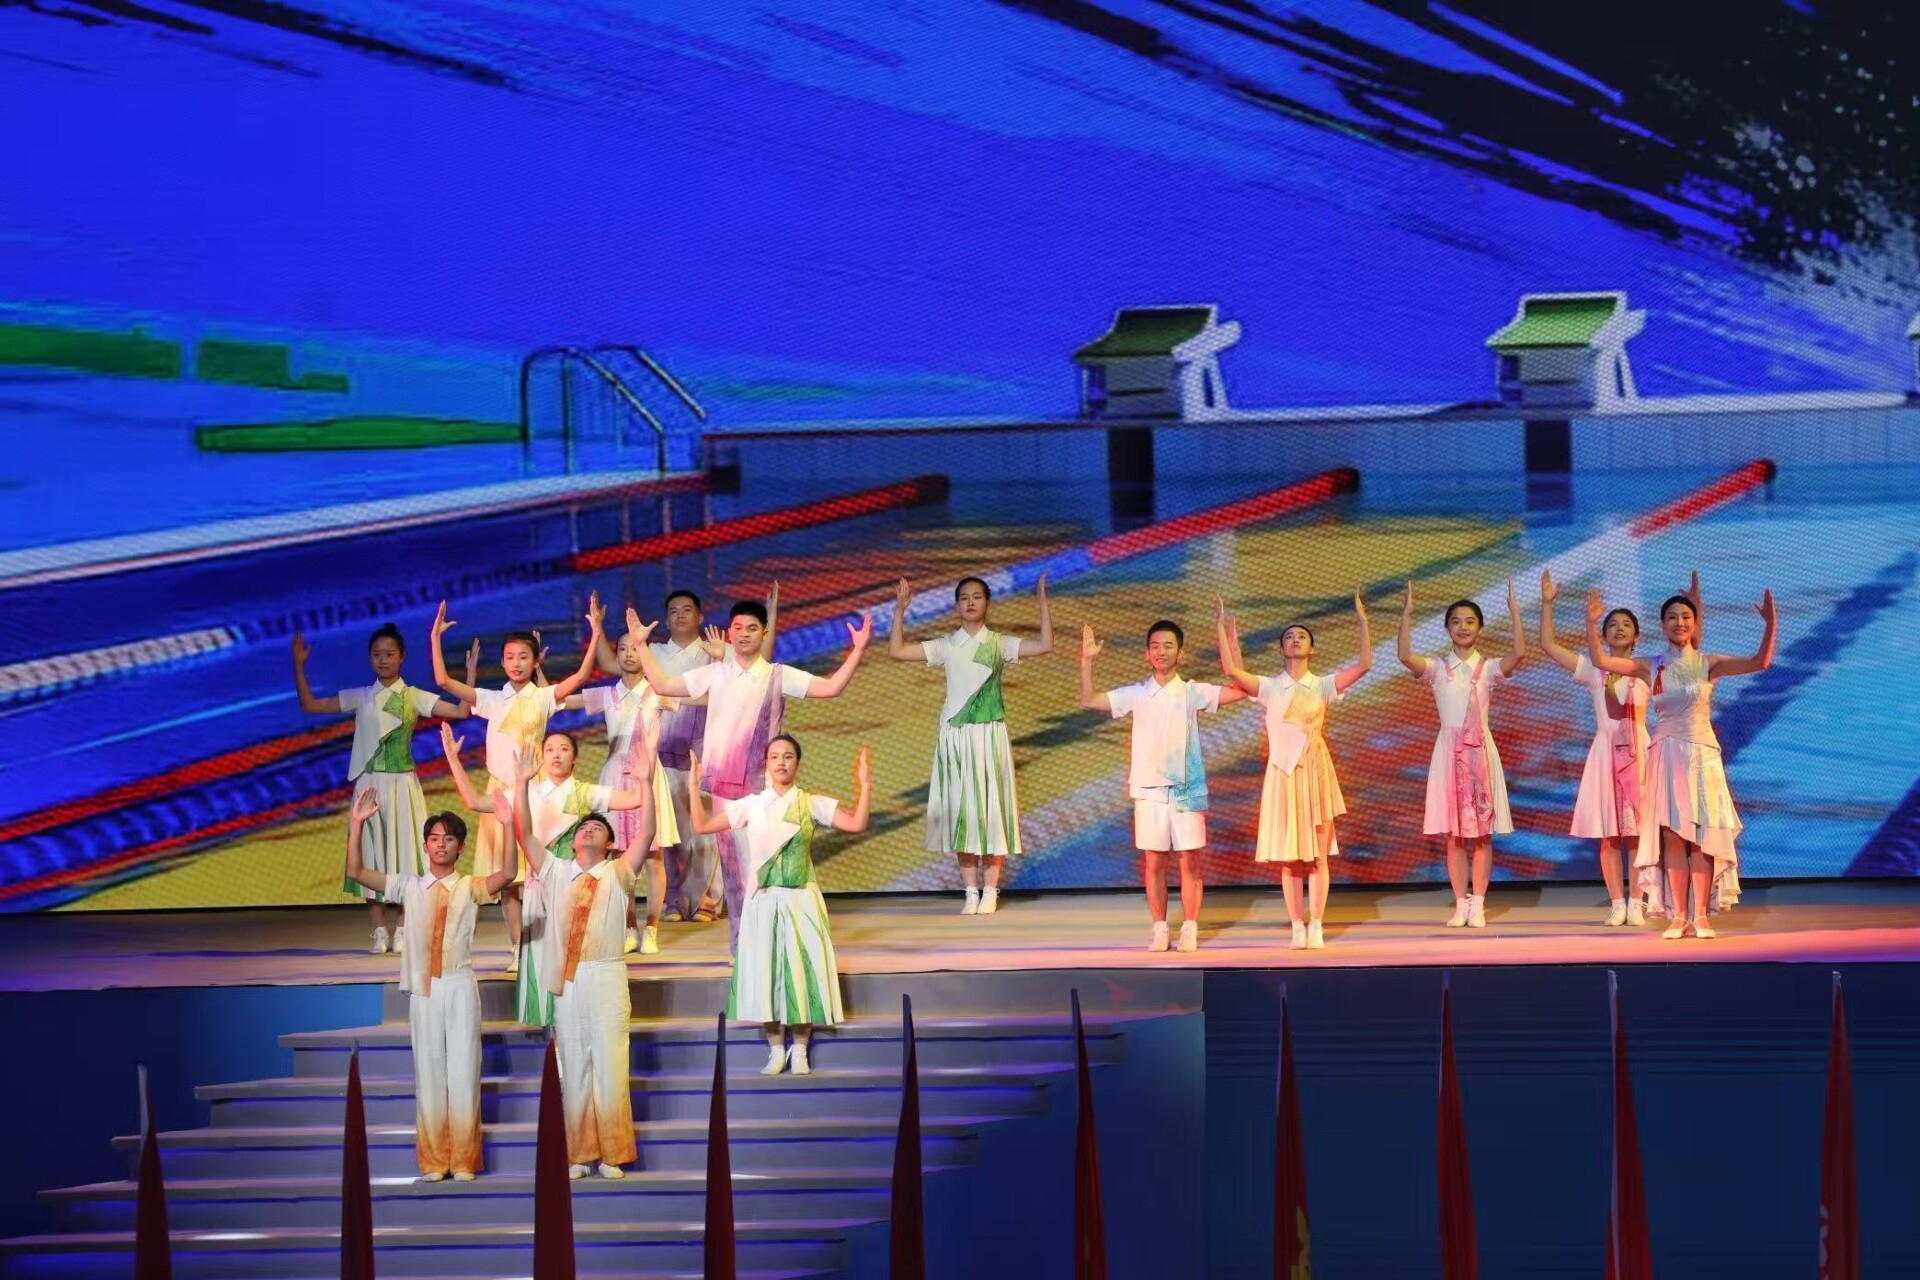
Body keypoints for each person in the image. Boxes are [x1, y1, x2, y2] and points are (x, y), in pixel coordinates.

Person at [632, 600, 872, 953]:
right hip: (722, 789)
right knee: (734, 875)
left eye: (752, 628)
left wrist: (859, 649)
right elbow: (663, 683)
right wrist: (640, 644)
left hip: (763, 791)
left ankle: (776, 944)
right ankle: (742, 950)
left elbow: (831, 687)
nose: (744, 634)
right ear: (729, 633)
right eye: (738, 628)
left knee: (766, 870)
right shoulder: (715, 674)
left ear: (764, 633)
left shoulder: (778, 674)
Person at [343, 786, 519, 1182]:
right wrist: (356, 825)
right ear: (425, 846)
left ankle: (464, 1160)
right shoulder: (409, 885)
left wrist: (508, 826)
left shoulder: (470, 886)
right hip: (424, 991)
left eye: (449, 839)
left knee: (464, 1072)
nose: (441, 844)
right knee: (430, 1073)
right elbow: (357, 873)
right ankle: (435, 1160)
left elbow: (508, 873)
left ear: (460, 847)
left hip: (459, 986)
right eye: (434, 838)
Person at [1585, 583, 1775, 940]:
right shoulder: (1650, 665)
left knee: (1701, 837)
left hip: (1702, 754)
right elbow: (1601, 661)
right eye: (1672, 617)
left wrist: (1770, 625)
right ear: (1662, 625)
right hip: (1666, 754)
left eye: (1686, 616)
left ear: (1695, 623)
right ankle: (1679, 916)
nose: (1679, 622)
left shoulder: (1709, 663)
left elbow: (1759, 662)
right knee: (1673, 837)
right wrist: (1592, 624)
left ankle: (1701, 915)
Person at [429, 595, 604, 972]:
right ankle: (518, 948)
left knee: (545, 872)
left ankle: (556, 941)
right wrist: (434, 637)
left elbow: (580, 678)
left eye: (524, 656)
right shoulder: (492, 700)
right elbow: (443, 681)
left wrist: (595, 631)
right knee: (508, 877)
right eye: (509, 657)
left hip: (537, 791)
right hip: (500, 793)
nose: (516, 663)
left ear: (535, 660)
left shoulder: (543, 697)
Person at [511, 744, 655, 1178]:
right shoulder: (556, 870)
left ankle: (612, 1153)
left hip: (607, 975)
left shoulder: (618, 872)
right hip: (569, 981)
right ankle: (579, 1153)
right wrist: (521, 783)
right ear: (573, 841)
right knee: (574, 1065)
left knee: (611, 1063)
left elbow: (646, 833)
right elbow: (524, 834)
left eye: (598, 828)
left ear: (610, 844)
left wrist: (646, 782)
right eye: (584, 827)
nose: (589, 830)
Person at [686, 735, 869, 1076]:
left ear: (797, 762)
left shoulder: (810, 803)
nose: (781, 762)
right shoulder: (752, 805)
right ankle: (774, 1049)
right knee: (766, 972)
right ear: (766, 764)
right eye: (774, 756)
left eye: (788, 756)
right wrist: (694, 788)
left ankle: (799, 1048)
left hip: (801, 899)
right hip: (763, 901)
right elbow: (703, 825)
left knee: (801, 971)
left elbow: (856, 824)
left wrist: (865, 786)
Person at [443, 725, 651, 1025]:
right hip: (538, 888)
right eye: (550, 749)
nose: (556, 755)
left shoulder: (584, 792)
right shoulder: (526, 792)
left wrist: (647, 770)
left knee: (571, 958)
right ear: (541, 757)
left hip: (573, 890)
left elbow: (635, 800)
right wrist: (452, 758)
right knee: (540, 961)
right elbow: (475, 802)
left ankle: (574, 1023)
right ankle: (550, 1031)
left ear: (575, 758)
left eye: (564, 749)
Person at [293, 623, 468, 953]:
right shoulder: (362, 696)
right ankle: (379, 930)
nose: (383, 660)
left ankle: (402, 927)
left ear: (402, 657)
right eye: (377, 655)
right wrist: (299, 665)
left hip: (404, 786)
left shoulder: (413, 696)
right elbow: (311, 705)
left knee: (407, 856)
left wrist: (468, 676)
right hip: (370, 784)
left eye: (389, 654)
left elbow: (461, 710)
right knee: (370, 854)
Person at [885, 573, 1052, 915]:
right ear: (957, 606)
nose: (971, 602)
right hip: (955, 738)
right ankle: (971, 891)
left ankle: (991, 890)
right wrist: (900, 610)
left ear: (987, 603)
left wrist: (1043, 605)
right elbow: (897, 651)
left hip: (989, 735)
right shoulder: (947, 645)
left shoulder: (999, 644)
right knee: (963, 813)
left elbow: (1044, 645)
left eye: (977, 596)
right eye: (964, 598)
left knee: (991, 811)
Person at [1079, 620, 1247, 953]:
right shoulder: (1137, 693)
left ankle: (1190, 927)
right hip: (1149, 791)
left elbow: (1242, 690)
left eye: (1168, 646)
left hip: (1187, 789)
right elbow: (1089, 700)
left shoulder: (1192, 691)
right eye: (1155, 646)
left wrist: (1232, 647)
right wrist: (1087, 661)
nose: (1161, 651)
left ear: (1180, 653)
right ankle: (1159, 928)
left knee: (1189, 862)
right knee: (1154, 864)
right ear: (1147, 654)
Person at [1216, 593, 1371, 950]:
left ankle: (1316, 924)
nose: (1295, 639)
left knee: (1318, 856)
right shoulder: (1270, 687)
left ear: (1312, 649)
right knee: (1289, 859)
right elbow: (1232, 672)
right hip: (1283, 776)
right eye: (1289, 637)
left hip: (1316, 775)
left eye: (1302, 636)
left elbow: (1364, 665)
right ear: (1282, 649)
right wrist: (1221, 630)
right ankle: (1297, 926)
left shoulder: (1323, 685)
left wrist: (1363, 622)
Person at [1397, 581, 1527, 929]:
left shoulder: (1489, 669)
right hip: (1447, 754)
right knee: (1454, 835)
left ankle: (1479, 903)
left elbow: (1518, 654)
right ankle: (1460, 904)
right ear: (1447, 628)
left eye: (1470, 621)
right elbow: (1405, 656)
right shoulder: (1438, 669)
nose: (1463, 627)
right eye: (1456, 621)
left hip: (1480, 753)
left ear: (1480, 628)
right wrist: (1407, 615)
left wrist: (1515, 613)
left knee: (1482, 834)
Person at [1537, 570, 1658, 926]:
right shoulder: (1594, 670)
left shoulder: (1649, 669)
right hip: (1605, 754)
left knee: (1637, 833)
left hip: (1639, 754)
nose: (1619, 629)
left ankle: (1637, 901)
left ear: (1637, 635)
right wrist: (1547, 604)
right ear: (1602, 635)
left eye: (1626, 625)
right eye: (1612, 625)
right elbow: (1548, 646)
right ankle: (1617, 903)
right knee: (1610, 834)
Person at [566, 617, 688, 955]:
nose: (629, 654)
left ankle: (652, 929)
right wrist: (541, 682)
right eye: (622, 649)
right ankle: (629, 927)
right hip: (615, 778)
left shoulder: (658, 691)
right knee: (620, 857)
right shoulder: (607, 695)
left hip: (649, 778)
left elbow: (698, 698)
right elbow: (560, 701)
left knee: (654, 858)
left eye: (635, 648)